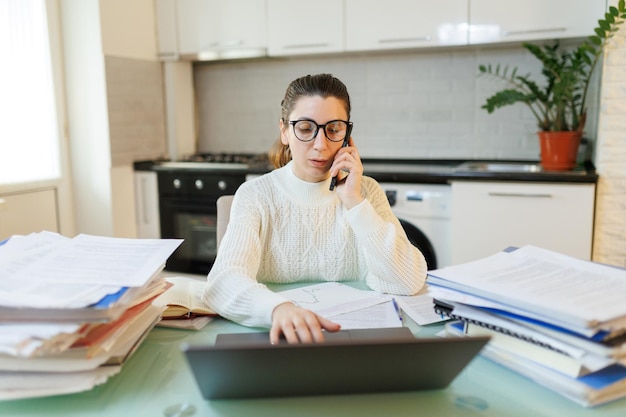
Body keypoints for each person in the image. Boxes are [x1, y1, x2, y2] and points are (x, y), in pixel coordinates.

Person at [203, 73, 427, 344]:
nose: (321, 145)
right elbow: (223, 282)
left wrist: (354, 202)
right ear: (285, 131)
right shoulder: (255, 195)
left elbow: (407, 281)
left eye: (333, 129)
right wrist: (277, 309)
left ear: (347, 135)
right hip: (278, 340)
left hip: (352, 341)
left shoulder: (366, 192)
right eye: (306, 128)